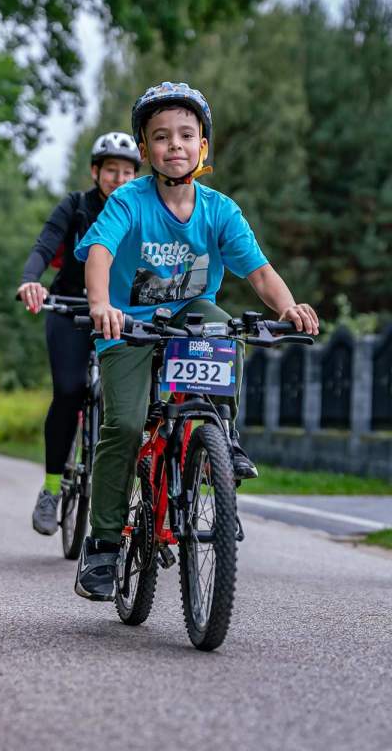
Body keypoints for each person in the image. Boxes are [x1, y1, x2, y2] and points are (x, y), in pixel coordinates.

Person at [72, 81, 320, 600]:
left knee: (226, 326)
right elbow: (99, 254)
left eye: (187, 135)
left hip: (187, 316)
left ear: (203, 146)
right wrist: (101, 306)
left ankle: (220, 439)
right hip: (129, 324)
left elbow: (259, 272)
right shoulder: (128, 201)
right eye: (162, 137)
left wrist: (289, 307)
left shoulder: (219, 210)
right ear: (146, 151)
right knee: (121, 423)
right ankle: (103, 547)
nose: (175, 145)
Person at [18, 132, 142, 536]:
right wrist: (30, 281)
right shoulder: (76, 206)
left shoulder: (142, 211)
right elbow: (44, 245)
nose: (119, 179)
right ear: (96, 171)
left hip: (120, 314)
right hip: (69, 308)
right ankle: (52, 488)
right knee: (70, 391)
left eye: (127, 172)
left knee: (125, 401)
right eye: (111, 171)